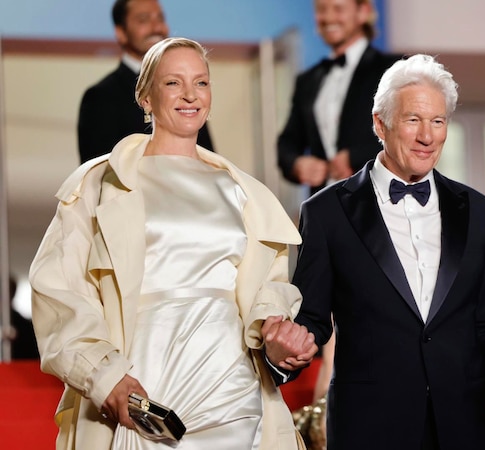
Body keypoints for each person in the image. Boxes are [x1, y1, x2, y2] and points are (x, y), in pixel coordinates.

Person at [30, 37, 315, 450]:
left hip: (231, 387)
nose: (189, 95)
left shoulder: (245, 192)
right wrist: (103, 376)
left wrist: (272, 331)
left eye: (201, 82)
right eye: (173, 83)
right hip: (142, 384)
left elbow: (267, 288)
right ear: (145, 97)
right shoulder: (97, 183)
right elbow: (57, 290)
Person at [286, 54, 485, 450]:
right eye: (413, 120)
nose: (427, 136)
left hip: (466, 425)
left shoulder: (480, 212)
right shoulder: (325, 213)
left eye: (438, 121)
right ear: (380, 123)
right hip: (370, 427)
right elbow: (311, 318)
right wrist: (285, 348)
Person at [277, 0, 400, 194]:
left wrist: (354, 158)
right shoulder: (307, 80)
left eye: (338, 8)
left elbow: (407, 134)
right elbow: (288, 141)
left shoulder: (394, 70)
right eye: (321, 9)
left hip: (378, 203)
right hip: (322, 205)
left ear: (363, 12)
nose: (328, 17)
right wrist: (296, 164)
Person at [77, 0, 213, 163]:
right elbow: (99, 173)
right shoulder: (100, 96)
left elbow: (207, 157)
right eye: (144, 20)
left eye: (160, 19)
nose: (157, 28)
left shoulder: (190, 96)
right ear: (121, 32)